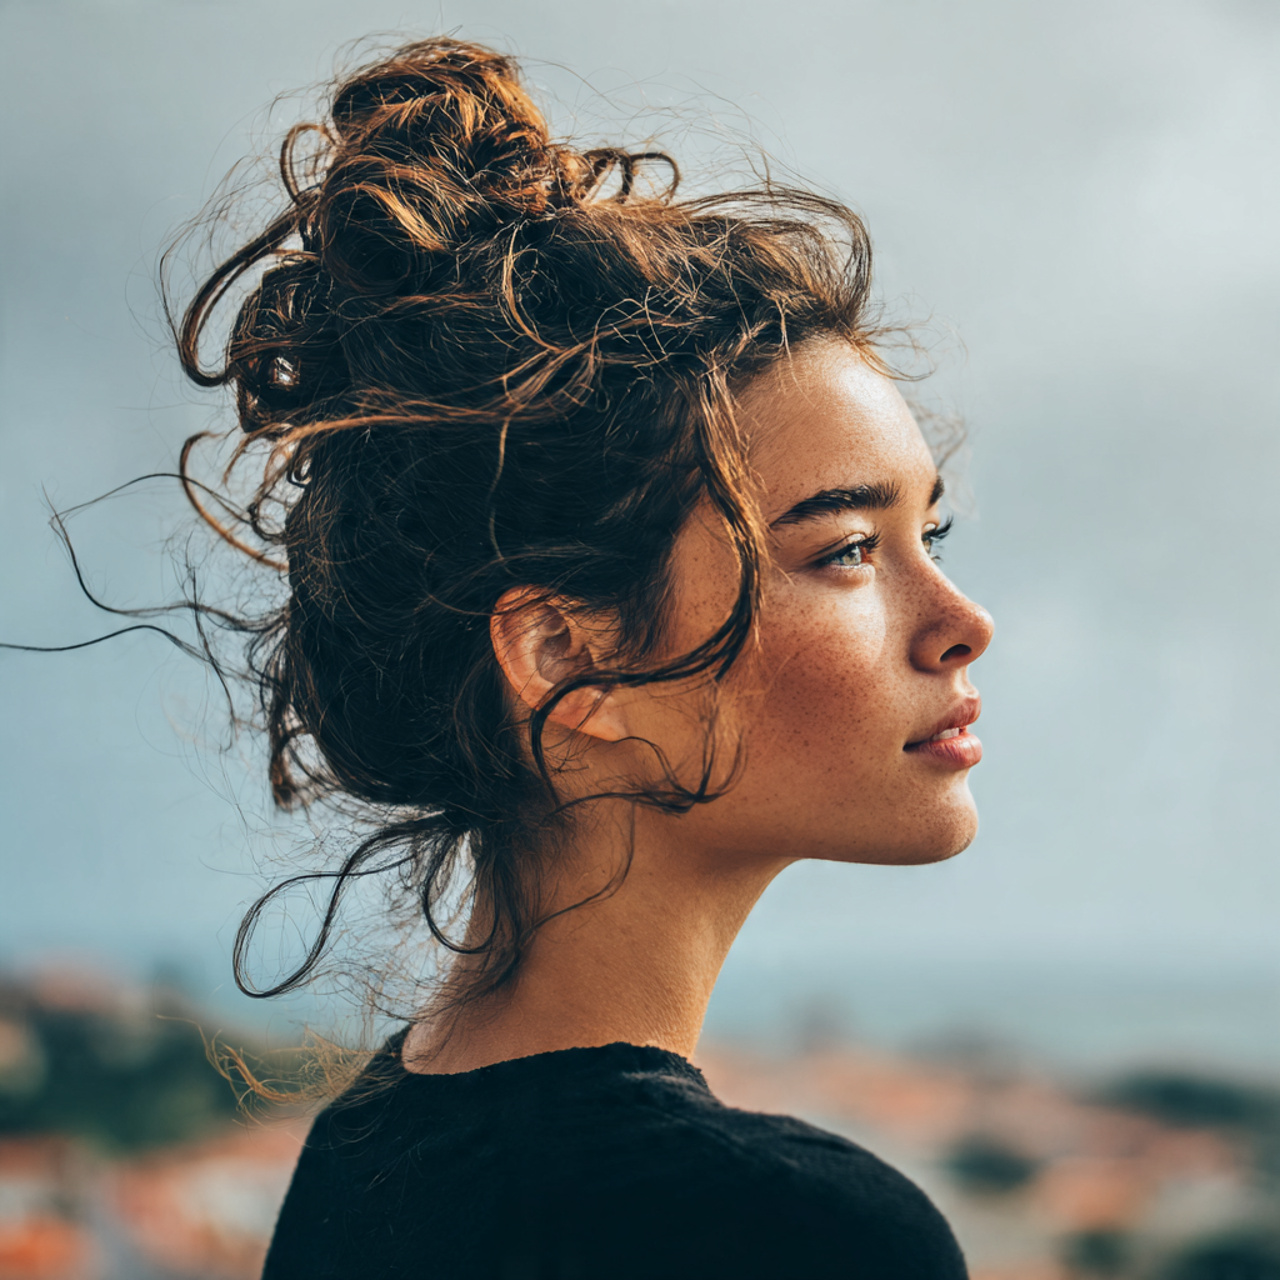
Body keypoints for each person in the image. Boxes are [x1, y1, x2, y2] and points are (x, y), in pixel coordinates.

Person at [178, 35, 993, 1279]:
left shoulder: (365, 1151)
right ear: (567, 654)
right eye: (841, 547)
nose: (958, 617)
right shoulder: (793, 1236)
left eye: (924, 530)